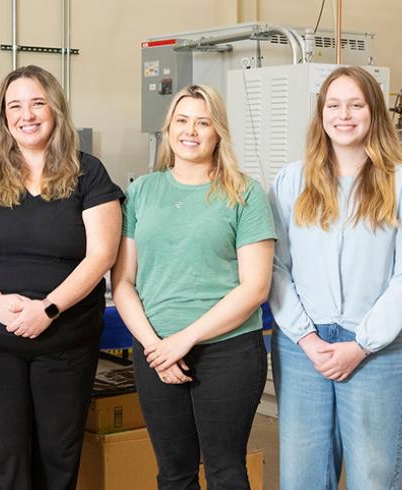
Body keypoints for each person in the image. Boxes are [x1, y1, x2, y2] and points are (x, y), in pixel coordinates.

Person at [0, 65, 123, 489]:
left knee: (56, 454)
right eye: (15, 106)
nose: (27, 114)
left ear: (56, 108)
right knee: (0, 453)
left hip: (65, 338)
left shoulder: (89, 172)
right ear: (3, 115)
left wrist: (48, 308)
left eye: (37, 103)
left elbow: (102, 254)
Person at [269, 66, 402, 490]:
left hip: (373, 345)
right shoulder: (291, 182)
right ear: (321, 114)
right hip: (301, 346)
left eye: (356, 104)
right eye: (334, 105)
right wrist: (307, 338)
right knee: (301, 478)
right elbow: (276, 268)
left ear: (374, 113)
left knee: (373, 477)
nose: (345, 115)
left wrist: (361, 345)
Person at [111, 84, 275, 490]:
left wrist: (184, 340)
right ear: (168, 129)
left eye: (203, 122)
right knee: (174, 473)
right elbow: (123, 283)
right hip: (156, 353)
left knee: (226, 472)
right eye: (182, 121)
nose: (191, 131)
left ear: (218, 131)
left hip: (228, 351)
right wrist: (157, 348)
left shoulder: (245, 193)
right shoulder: (141, 192)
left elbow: (255, 288)